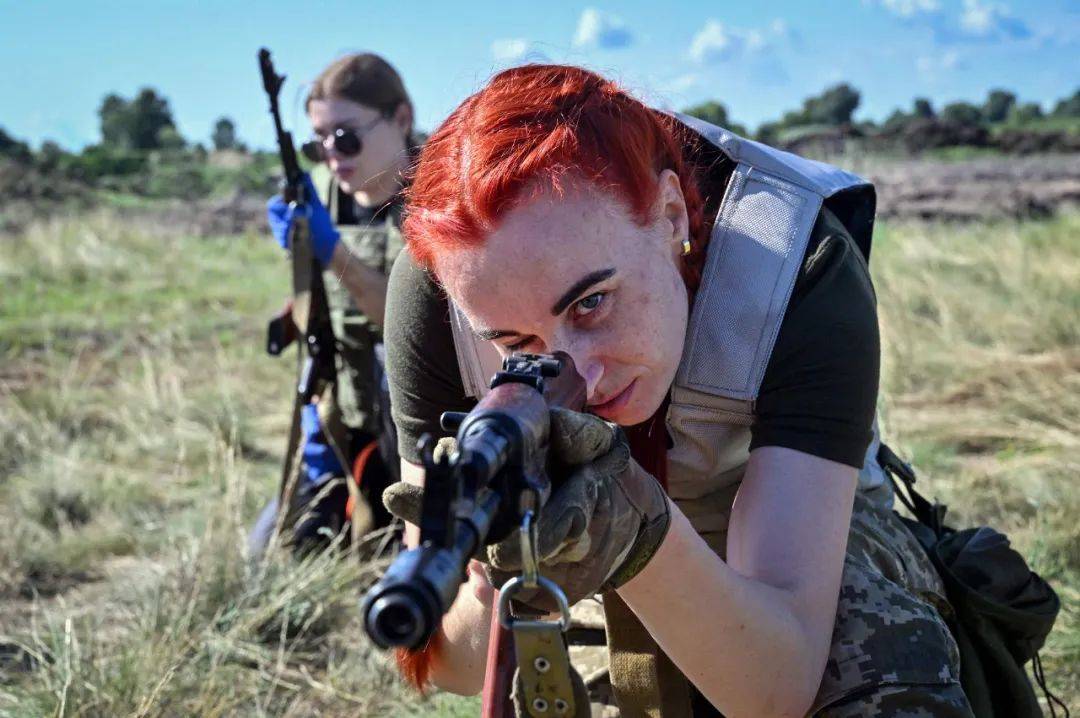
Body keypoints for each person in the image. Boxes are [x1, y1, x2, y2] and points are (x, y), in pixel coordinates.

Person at [380, 65, 974, 716]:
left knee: (874, 649)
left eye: (592, 303)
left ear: (670, 216)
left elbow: (779, 684)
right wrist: (495, 560)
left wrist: (636, 534)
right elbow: (450, 667)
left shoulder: (793, 265)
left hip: (784, 544)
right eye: (515, 342)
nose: (583, 373)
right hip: (589, 563)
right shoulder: (443, 288)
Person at [252, 53, 416, 554]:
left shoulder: (441, 201)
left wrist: (331, 251)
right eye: (317, 141)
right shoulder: (325, 193)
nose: (331, 155)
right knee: (270, 551)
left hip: (419, 425)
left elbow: (406, 325)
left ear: (401, 119)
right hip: (345, 413)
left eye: (345, 137)